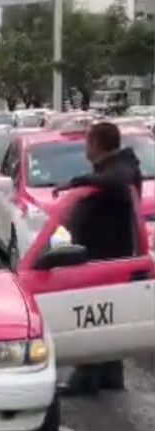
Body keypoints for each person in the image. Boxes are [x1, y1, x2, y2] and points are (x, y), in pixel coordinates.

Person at [52, 121, 142, 395]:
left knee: (93, 318)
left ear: (97, 144)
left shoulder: (121, 169)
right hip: (99, 257)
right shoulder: (110, 168)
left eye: (88, 142)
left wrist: (77, 182)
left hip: (108, 259)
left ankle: (88, 378)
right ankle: (109, 375)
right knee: (105, 318)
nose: (85, 147)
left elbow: (116, 182)